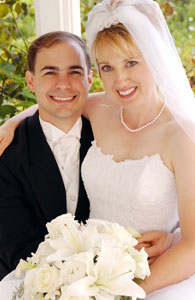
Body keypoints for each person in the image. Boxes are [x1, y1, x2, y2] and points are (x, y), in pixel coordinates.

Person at [0, 0, 194, 298]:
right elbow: (56, 103)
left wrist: (122, 292)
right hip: (86, 272)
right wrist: (10, 123)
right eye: (107, 67)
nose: (120, 80)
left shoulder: (182, 135)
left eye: (131, 62)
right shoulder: (102, 109)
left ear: (156, 59)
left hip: (151, 278)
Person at [0, 31, 93, 280]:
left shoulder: (111, 138)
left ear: (90, 79)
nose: (64, 84)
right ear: (31, 81)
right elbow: (17, 251)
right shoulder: (6, 154)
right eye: (50, 72)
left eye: (74, 72)